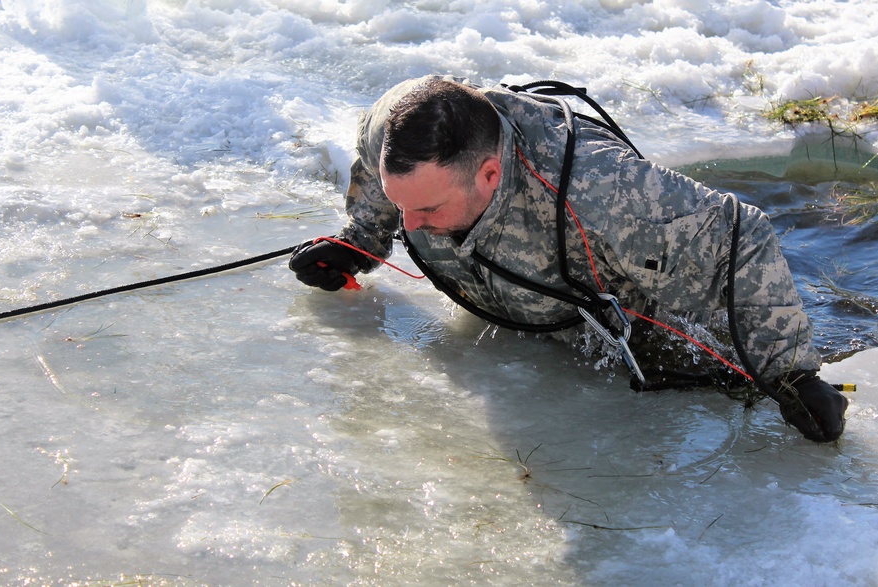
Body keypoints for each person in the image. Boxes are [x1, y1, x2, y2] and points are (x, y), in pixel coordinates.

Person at [289, 75, 849, 443]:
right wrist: (363, 239)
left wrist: (790, 372)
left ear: (489, 174)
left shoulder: (603, 189)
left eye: (428, 208)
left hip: (618, 319)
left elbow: (741, 235)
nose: (411, 225)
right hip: (508, 305)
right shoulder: (391, 123)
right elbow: (374, 170)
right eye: (401, 205)